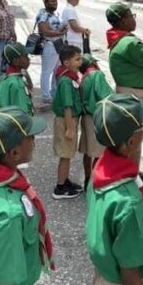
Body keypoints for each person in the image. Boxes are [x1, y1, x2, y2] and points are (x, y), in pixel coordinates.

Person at [85, 94, 143, 285]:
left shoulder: (100, 171)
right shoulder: (128, 202)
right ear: (131, 141)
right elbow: (130, 274)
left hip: (104, 278)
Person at [0, 107, 52, 285]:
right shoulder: (9, 214)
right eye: (29, 137)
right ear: (14, 152)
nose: (34, 141)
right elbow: (5, 284)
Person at [105, 1, 143, 193]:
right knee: (134, 140)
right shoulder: (128, 42)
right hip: (136, 95)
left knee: (131, 139)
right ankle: (132, 179)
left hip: (129, 92)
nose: (133, 18)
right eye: (130, 15)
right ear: (122, 20)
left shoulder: (120, 40)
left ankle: (131, 173)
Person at [51, 45, 84, 200]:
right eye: (77, 59)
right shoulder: (66, 80)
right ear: (66, 63)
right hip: (66, 120)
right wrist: (70, 128)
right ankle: (60, 187)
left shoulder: (70, 77)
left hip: (69, 119)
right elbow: (67, 106)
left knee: (68, 153)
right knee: (65, 154)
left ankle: (65, 180)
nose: (80, 62)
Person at [79, 54, 110, 187]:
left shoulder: (84, 77)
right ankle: (95, 181)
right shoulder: (96, 75)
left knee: (88, 151)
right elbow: (105, 95)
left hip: (85, 116)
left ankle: (87, 179)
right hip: (96, 117)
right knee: (99, 152)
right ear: (93, 63)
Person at [35, 0, 66, 102]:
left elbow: (56, 28)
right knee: (47, 71)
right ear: (46, 3)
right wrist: (59, 32)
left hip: (58, 45)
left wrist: (62, 29)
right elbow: (45, 31)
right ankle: (45, 95)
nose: (55, 4)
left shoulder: (54, 14)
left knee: (57, 70)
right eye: (52, 2)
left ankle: (54, 91)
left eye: (56, 1)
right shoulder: (43, 15)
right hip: (49, 45)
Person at [0, 41, 35, 115]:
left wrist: (27, 76)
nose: (29, 59)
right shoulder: (17, 83)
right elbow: (22, 111)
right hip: (19, 122)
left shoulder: (4, 77)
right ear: (16, 61)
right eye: (25, 56)